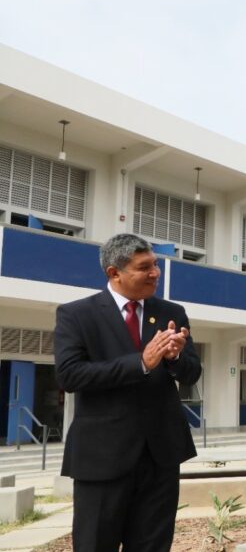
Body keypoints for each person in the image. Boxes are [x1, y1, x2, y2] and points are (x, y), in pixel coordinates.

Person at [54, 233, 201, 552]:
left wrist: (175, 357)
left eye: (156, 265)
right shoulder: (77, 315)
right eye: (144, 267)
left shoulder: (171, 312)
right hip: (102, 458)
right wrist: (142, 363)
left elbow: (192, 371)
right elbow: (69, 375)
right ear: (114, 272)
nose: (155, 273)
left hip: (161, 455)